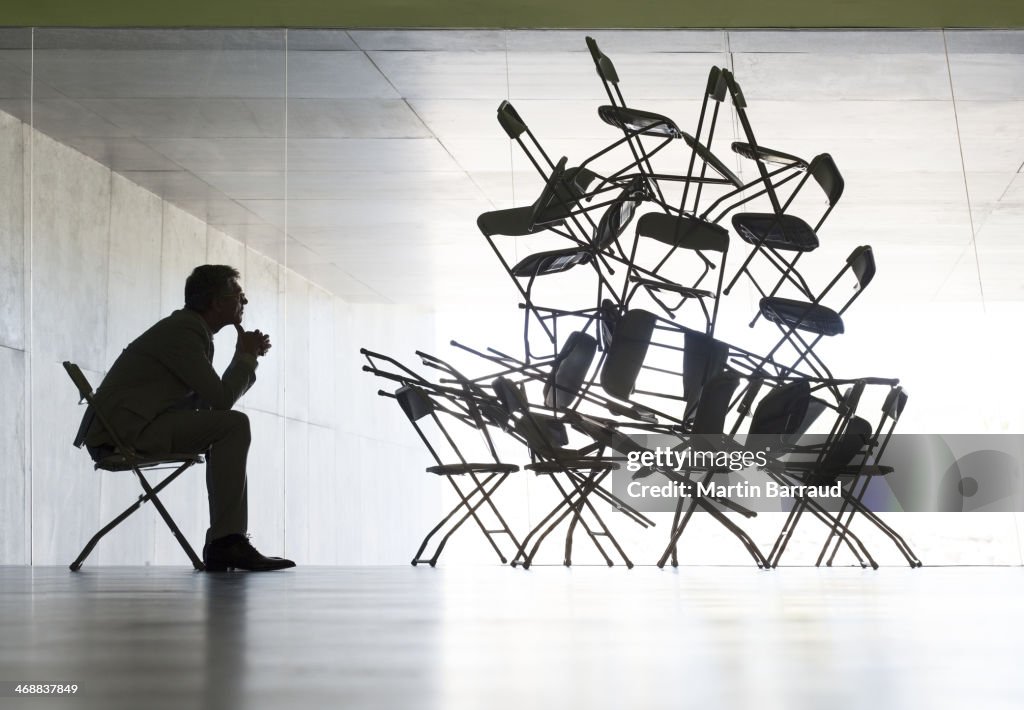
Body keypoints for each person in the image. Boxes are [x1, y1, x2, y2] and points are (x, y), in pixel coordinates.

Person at [80, 264, 295, 572]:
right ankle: (227, 542)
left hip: (134, 426)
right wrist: (246, 357)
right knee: (234, 425)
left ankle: (227, 541)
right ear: (217, 302)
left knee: (231, 425)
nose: (244, 302)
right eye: (239, 295)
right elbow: (220, 401)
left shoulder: (191, 331)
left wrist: (244, 357)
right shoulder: (184, 332)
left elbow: (212, 408)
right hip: (125, 433)